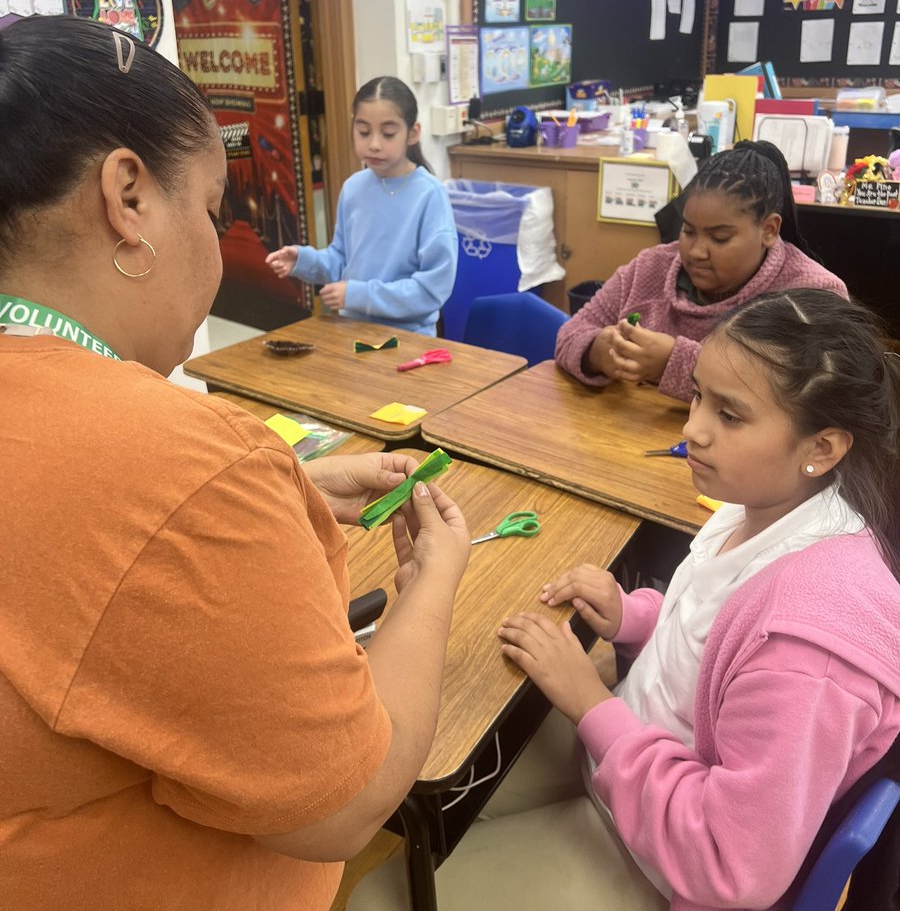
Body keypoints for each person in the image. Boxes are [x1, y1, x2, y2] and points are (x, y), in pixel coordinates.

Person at [0, 16, 470, 911]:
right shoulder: (185, 469)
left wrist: (281, 483)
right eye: (213, 210)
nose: (220, 243)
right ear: (128, 197)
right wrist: (433, 585)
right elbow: (344, 802)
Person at [351, 288, 900, 910]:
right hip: (635, 760)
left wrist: (589, 703)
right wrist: (634, 616)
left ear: (822, 449)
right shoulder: (763, 508)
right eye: (697, 395)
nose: (692, 429)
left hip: (672, 866)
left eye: (730, 415)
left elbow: (730, 862)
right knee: (438, 779)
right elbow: (718, 635)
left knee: (379, 897)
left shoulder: (810, 651)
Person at [555, 140, 848, 401]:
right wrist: (596, 352)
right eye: (688, 231)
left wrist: (674, 362)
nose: (696, 252)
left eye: (719, 238)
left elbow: (804, 394)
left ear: (769, 230)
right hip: (623, 440)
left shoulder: (812, 293)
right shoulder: (651, 266)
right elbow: (569, 334)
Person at [266, 76, 457, 335]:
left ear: (413, 133)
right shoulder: (354, 188)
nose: (374, 144)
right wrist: (303, 260)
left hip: (409, 339)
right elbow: (342, 261)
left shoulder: (430, 195)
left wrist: (358, 295)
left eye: (388, 133)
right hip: (351, 331)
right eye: (364, 132)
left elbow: (431, 290)